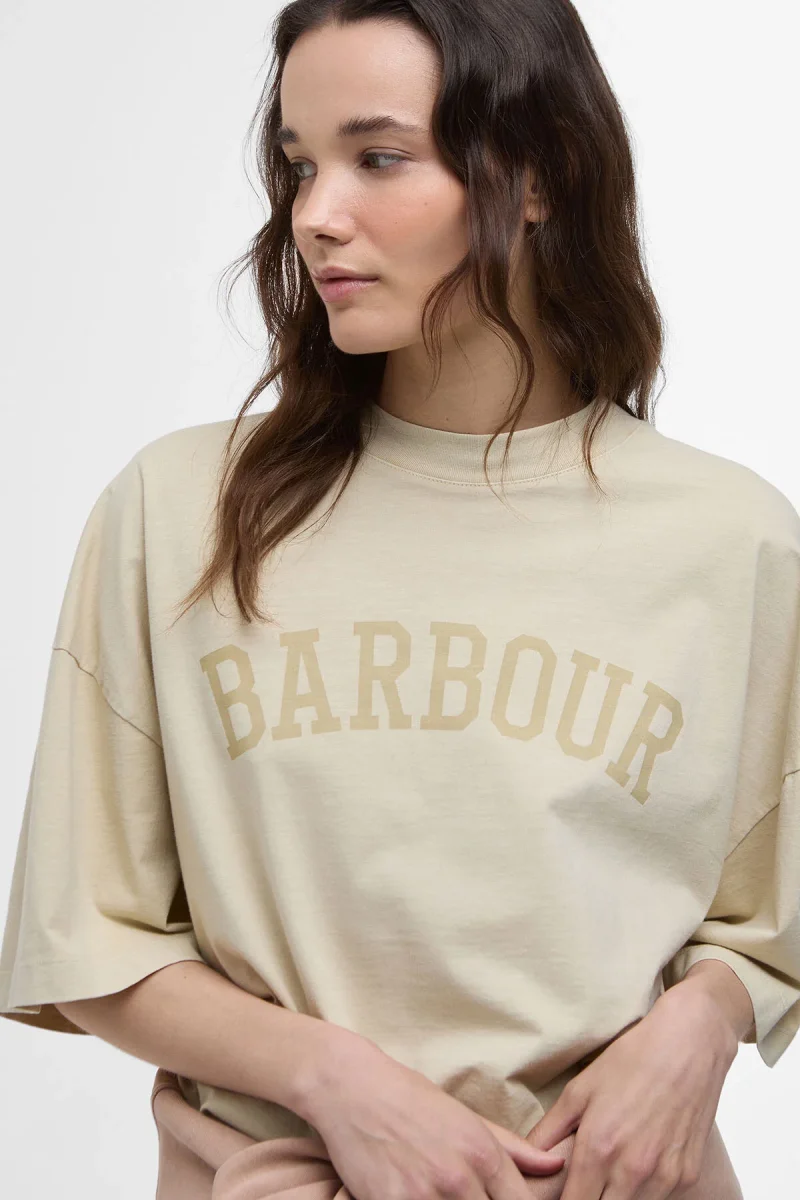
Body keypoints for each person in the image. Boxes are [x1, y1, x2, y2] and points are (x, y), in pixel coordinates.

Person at [1, 1, 797, 1197]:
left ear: (538, 174)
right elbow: (85, 938)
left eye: (377, 158)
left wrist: (703, 1022)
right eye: (297, 165)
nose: (315, 213)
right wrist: (334, 1080)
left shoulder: (729, 538)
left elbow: (768, 907)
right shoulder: (179, 513)